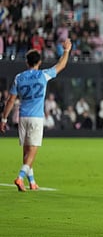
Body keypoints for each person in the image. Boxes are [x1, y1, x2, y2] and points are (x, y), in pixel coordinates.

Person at [0, 38, 72, 192]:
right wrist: (66, 50)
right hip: (36, 118)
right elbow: (62, 65)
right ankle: (20, 178)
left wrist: (4, 118)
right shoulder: (43, 75)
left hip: (22, 117)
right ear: (39, 62)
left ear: (27, 62)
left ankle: (32, 182)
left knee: (26, 152)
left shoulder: (19, 77)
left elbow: (11, 100)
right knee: (32, 152)